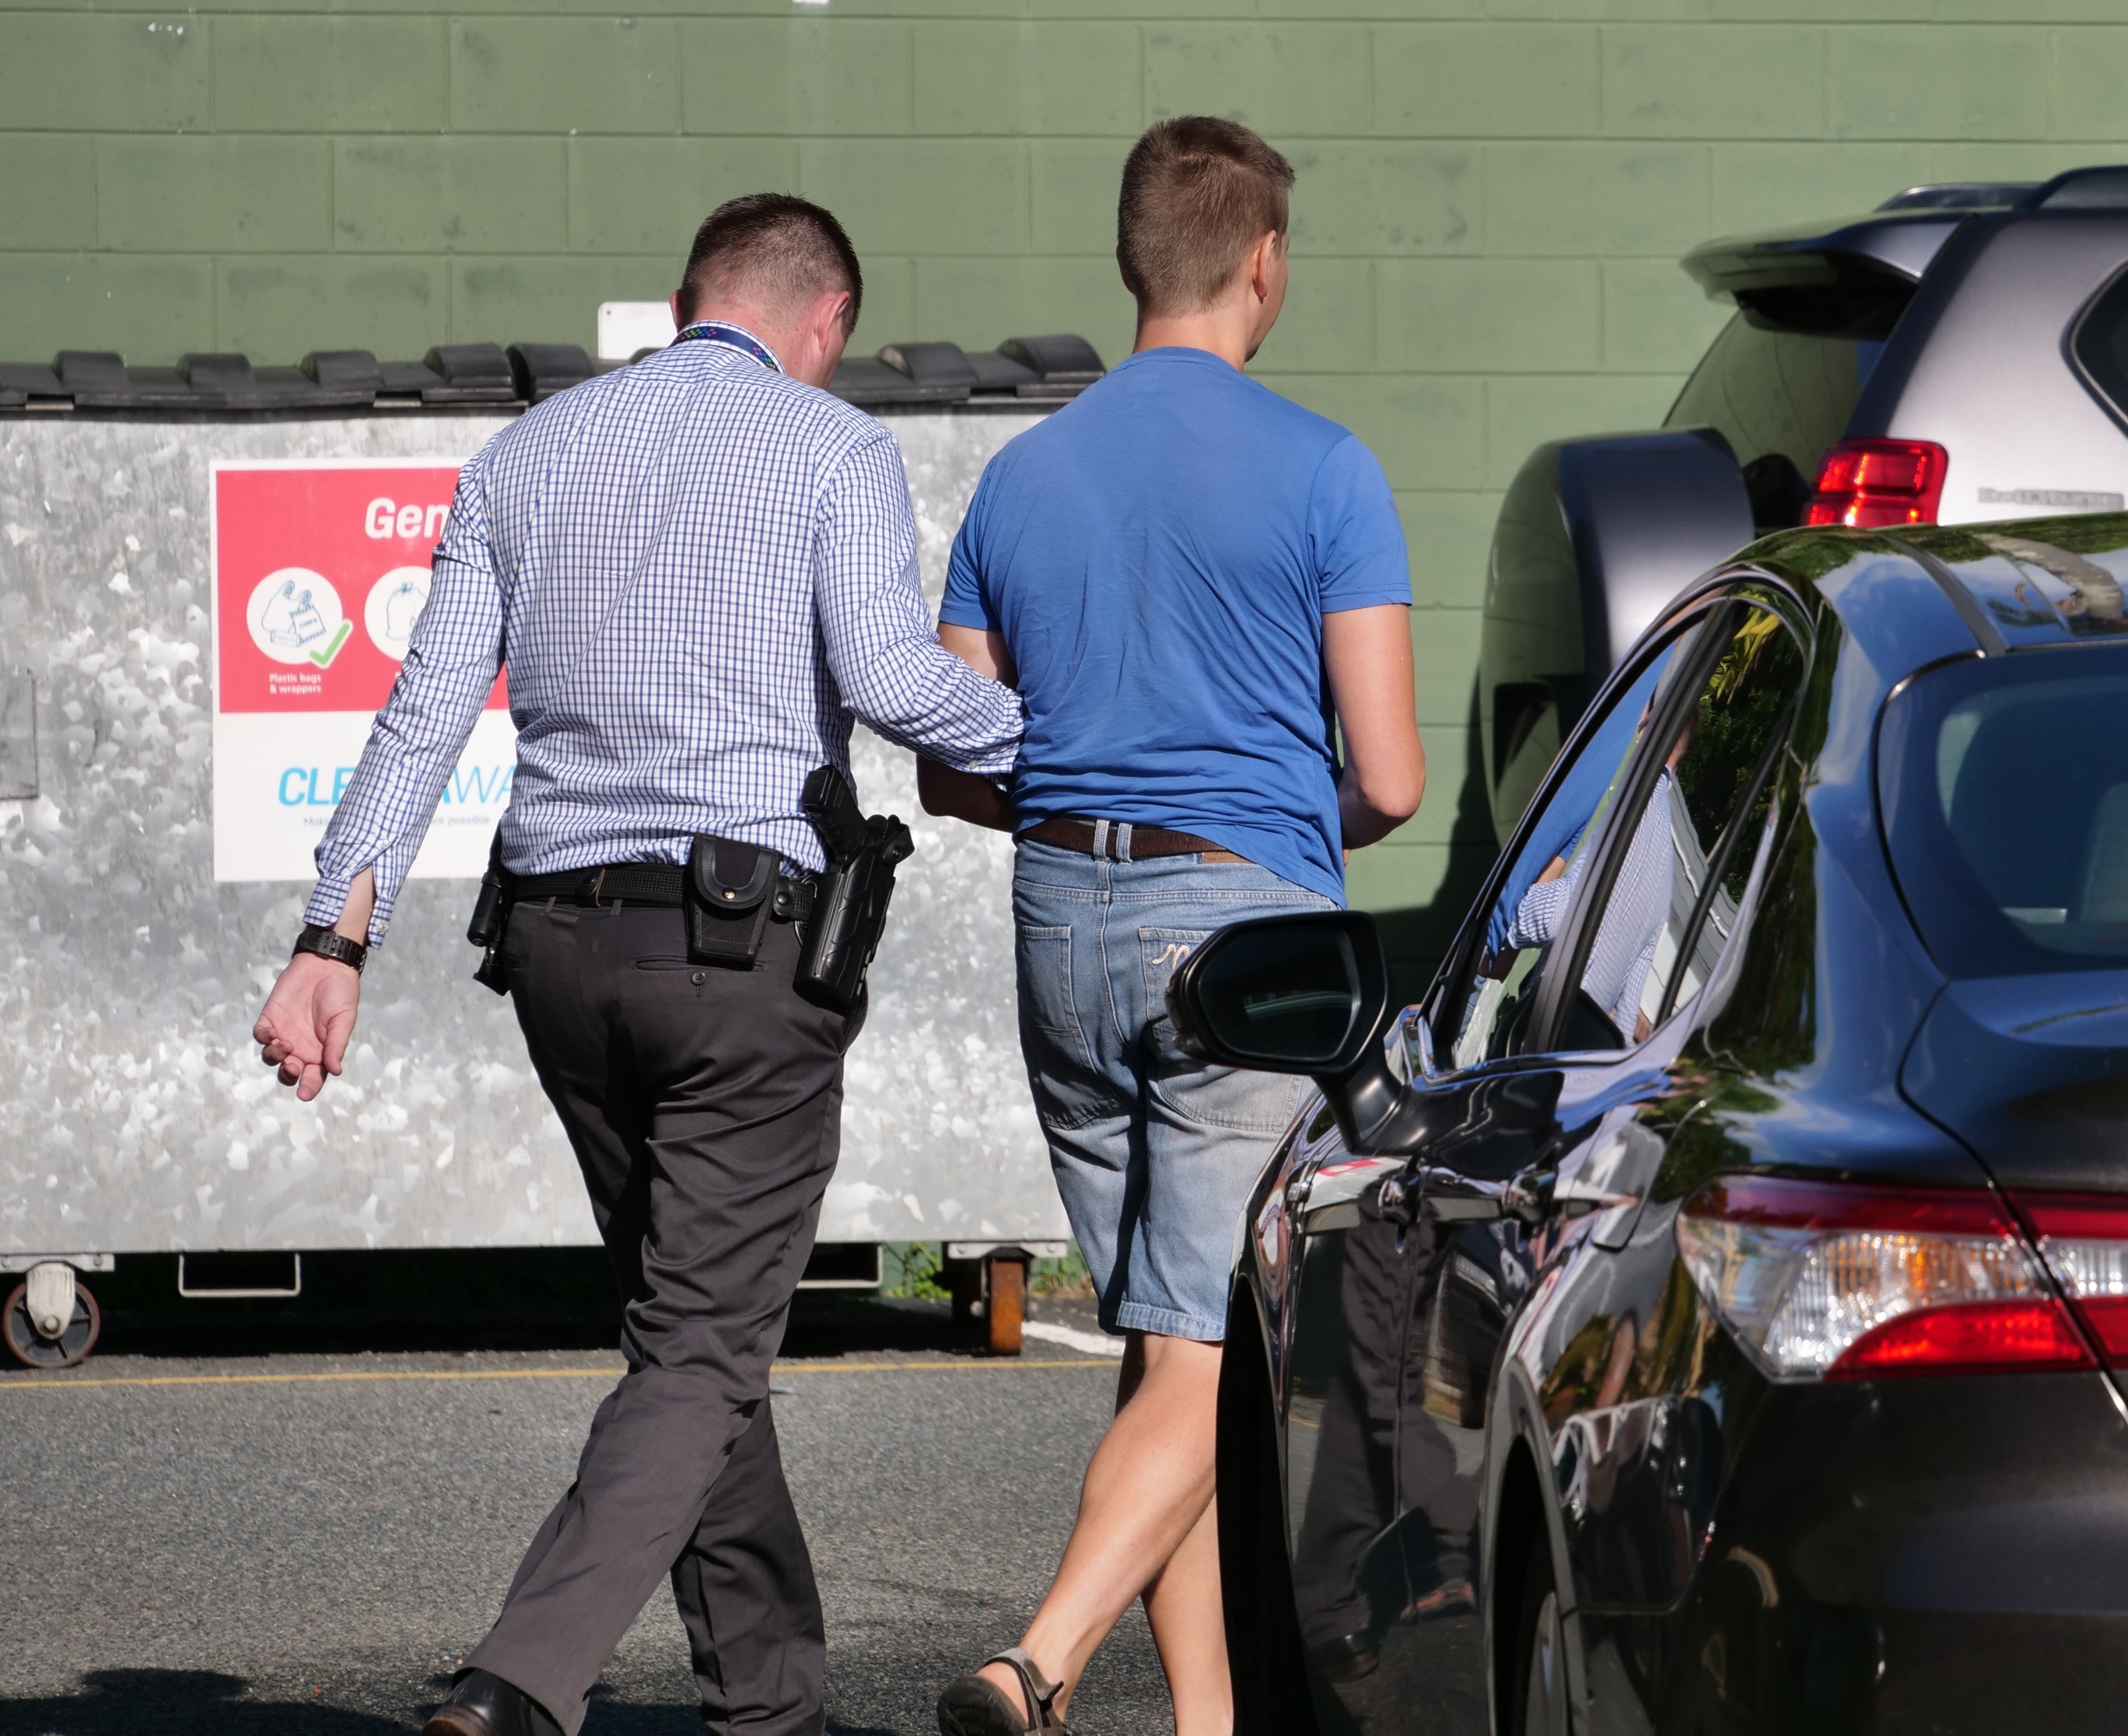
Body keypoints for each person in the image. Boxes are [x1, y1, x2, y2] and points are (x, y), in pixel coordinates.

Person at [249, 194, 1024, 1736]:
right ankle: (522, 1682)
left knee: (692, 1342)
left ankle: (773, 1708)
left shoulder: (528, 455)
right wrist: (1085, 746)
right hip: (740, 968)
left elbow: (420, 719)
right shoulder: (831, 447)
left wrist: (333, 938)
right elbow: (885, 679)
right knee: (701, 1350)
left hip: (555, 956)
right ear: (823, 326)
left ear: (688, 302)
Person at [919, 116, 1426, 1736]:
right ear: (1265, 260)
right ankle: (1042, 1655)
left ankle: (1207, 1727)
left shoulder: (1021, 472)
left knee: (1166, 1346)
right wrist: (1270, 833)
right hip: (1242, 945)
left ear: (1132, 257)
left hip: (1059, 915)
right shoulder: (1327, 469)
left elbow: (953, 762)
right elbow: (1396, 780)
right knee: (1202, 1351)